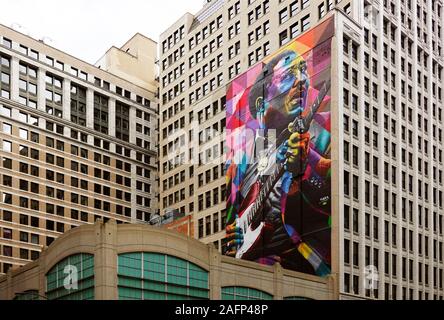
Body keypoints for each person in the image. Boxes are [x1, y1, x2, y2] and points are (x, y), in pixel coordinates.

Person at [225, 49, 331, 276]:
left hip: (306, 269)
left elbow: (334, 200)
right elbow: (233, 225)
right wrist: (235, 235)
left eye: (303, 72)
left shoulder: (322, 137)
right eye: (288, 77)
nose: (302, 81)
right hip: (251, 276)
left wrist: (302, 176)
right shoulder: (240, 164)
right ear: (263, 103)